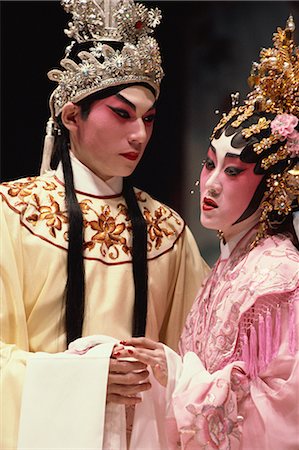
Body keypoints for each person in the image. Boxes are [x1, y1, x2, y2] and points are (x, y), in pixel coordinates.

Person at [0, 0, 209, 448]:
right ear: (71, 116)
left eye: (148, 118)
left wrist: (166, 367)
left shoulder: (165, 229)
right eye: (122, 113)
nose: (140, 135)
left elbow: (203, 357)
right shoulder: (11, 213)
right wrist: (84, 379)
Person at [114, 16, 299, 449]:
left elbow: (281, 408)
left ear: (273, 188)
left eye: (233, 171)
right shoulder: (231, 264)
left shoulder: (279, 279)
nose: (212, 183)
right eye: (210, 163)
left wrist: (176, 373)